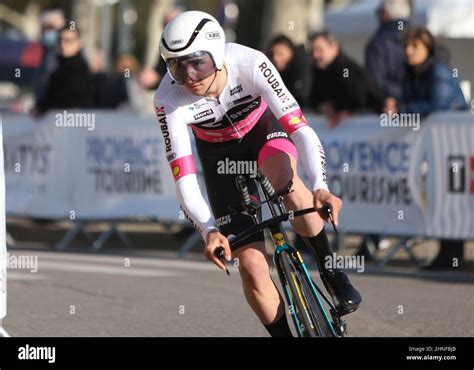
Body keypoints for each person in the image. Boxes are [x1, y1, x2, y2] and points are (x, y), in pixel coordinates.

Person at [154, 11, 361, 337]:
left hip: (262, 131)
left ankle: (331, 271)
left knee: (290, 186)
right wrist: (209, 230)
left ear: (218, 55)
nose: (190, 76)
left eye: (198, 63)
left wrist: (320, 186)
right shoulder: (168, 99)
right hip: (218, 154)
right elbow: (184, 178)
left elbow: (301, 130)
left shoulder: (250, 62)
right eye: (177, 66)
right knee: (251, 267)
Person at [308, 32, 383, 127]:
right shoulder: (318, 70)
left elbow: (359, 98)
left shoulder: (346, 69)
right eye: (312, 51)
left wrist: (339, 109)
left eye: (319, 50)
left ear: (334, 48)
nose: (315, 55)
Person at [391, 27, 468, 116]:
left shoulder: (439, 71)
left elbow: (439, 106)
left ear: (427, 48)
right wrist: (395, 106)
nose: (408, 51)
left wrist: (402, 110)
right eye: (406, 46)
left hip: (454, 127)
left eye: (415, 46)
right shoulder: (409, 72)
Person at [36, 26, 94, 114]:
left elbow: (68, 102)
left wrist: (43, 109)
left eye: (68, 40)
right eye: (60, 40)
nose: (63, 44)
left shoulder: (78, 70)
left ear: (78, 43)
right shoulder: (56, 65)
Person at [366, 0, 411, 108]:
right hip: (415, 109)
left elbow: (375, 81)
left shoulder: (378, 43)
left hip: (390, 109)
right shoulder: (419, 38)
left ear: (385, 13)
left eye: (379, 11)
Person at [267, 34, 312, 107]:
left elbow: (302, 94)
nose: (275, 58)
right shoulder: (275, 69)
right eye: (272, 54)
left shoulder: (303, 63)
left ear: (291, 51)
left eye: (280, 54)